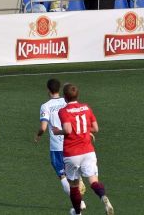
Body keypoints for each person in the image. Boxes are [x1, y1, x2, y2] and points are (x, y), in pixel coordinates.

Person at [52, 83, 114, 215]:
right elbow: (96, 128)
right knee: (93, 181)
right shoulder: (86, 107)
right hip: (88, 151)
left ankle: (77, 212)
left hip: (72, 153)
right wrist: (84, 131)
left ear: (65, 97)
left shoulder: (63, 111)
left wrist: (57, 131)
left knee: (74, 185)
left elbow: (68, 129)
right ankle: (103, 197)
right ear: (77, 95)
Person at [35, 78, 87, 211]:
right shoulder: (67, 101)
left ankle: (79, 203)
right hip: (71, 143)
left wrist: (38, 135)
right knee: (72, 174)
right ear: (59, 90)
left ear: (48, 90)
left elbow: (43, 127)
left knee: (62, 175)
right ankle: (78, 185)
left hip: (57, 147)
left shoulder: (45, 106)